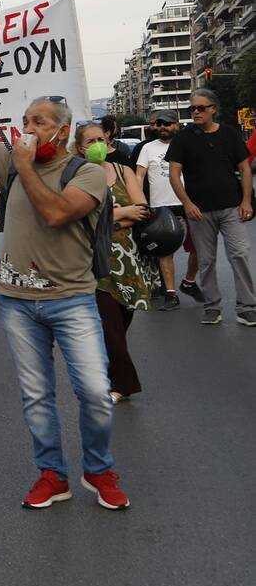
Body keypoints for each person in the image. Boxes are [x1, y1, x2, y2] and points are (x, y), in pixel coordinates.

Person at [0, 51, 130, 511]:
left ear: (62, 131)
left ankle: (98, 469)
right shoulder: (11, 162)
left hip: (72, 300)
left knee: (95, 393)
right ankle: (52, 474)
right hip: (17, 302)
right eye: (25, 121)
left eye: (39, 122)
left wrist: (26, 165)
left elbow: (55, 213)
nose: (27, 129)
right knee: (36, 396)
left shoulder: (86, 173)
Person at [73, 123, 153, 403]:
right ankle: (122, 384)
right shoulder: (76, 177)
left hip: (128, 261)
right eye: (90, 141)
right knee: (110, 326)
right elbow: (83, 219)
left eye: (101, 138)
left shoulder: (123, 171)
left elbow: (141, 210)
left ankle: (107, 372)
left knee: (120, 324)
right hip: (94, 262)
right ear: (80, 148)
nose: (98, 144)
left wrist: (113, 218)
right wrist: (122, 213)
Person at [165, 89, 254, 326]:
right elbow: (174, 174)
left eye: (201, 108)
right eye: (192, 108)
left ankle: (247, 307)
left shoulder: (229, 134)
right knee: (206, 261)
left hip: (231, 208)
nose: (195, 112)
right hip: (199, 212)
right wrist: (187, 203)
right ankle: (212, 307)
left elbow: (245, 168)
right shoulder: (183, 138)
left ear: (213, 109)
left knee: (240, 255)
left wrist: (246, 201)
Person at [135, 109, 199, 310]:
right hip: (160, 208)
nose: (163, 127)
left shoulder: (187, 145)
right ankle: (171, 294)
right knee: (165, 252)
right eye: (160, 124)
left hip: (188, 204)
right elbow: (139, 176)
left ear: (176, 125)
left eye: (168, 123)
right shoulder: (147, 148)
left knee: (199, 249)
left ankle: (189, 281)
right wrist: (139, 202)